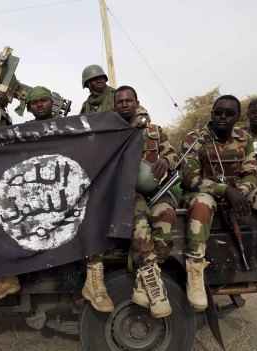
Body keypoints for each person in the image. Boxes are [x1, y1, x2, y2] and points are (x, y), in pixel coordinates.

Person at [81, 85, 179, 318]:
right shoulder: (109, 132)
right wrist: (125, 135)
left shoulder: (154, 130)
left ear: (136, 102)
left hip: (155, 190)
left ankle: (143, 280)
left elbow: (173, 154)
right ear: (114, 106)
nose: (125, 104)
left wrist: (165, 159)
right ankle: (149, 277)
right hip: (126, 192)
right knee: (139, 214)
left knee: (166, 215)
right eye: (120, 101)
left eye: (129, 100)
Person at [181, 95, 257, 311]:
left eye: (229, 113)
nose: (222, 116)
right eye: (218, 112)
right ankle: (195, 272)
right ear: (212, 113)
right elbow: (191, 179)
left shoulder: (245, 138)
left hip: (238, 192)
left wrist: (240, 191)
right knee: (202, 204)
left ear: (238, 117)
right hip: (203, 192)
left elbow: (251, 173)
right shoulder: (195, 139)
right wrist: (226, 191)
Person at [0, 86, 55, 302]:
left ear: (51, 102)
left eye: (44, 100)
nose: (40, 104)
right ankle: (8, 276)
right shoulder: (24, 131)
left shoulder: (70, 125)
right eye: (35, 102)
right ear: (29, 108)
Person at [80, 64, 150, 121]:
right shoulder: (86, 105)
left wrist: (140, 119)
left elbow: (141, 112)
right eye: (94, 79)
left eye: (101, 78)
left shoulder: (117, 96)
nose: (99, 81)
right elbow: (80, 122)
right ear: (87, 84)